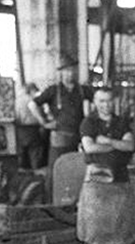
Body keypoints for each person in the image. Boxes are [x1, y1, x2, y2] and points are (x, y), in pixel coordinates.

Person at [77, 87, 135, 244]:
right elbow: (90, 148)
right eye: (101, 101)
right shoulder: (89, 122)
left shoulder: (121, 122)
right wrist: (118, 146)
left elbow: (130, 145)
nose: (105, 105)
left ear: (114, 102)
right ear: (95, 102)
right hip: (96, 179)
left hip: (120, 177)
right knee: (93, 219)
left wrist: (107, 141)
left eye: (109, 101)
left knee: (121, 218)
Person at [29, 56, 92, 201]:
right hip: (60, 138)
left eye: (73, 70)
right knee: (55, 171)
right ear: (61, 73)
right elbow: (32, 104)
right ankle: (50, 203)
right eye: (67, 71)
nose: (71, 74)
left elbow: (99, 99)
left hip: (80, 138)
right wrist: (43, 122)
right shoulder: (53, 91)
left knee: (77, 169)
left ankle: (74, 201)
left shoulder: (82, 90)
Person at [15, 82, 46, 171]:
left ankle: (23, 171)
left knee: (22, 152)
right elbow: (36, 113)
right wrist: (43, 122)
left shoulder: (17, 100)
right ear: (32, 90)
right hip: (32, 128)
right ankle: (36, 171)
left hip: (20, 128)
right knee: (35, 151)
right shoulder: (31, 100)